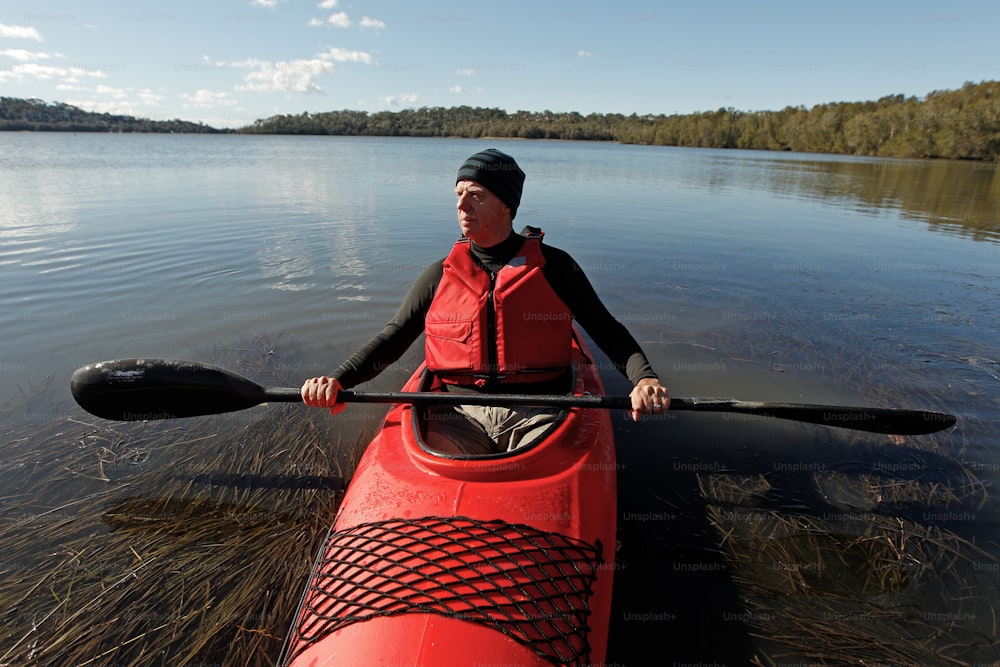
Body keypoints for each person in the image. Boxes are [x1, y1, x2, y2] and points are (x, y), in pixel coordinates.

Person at [301, 148, 670, 455]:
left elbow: (606, 329)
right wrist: (337, 379)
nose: (462, 205)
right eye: (458, 194)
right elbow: (393, 337)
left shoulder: (556, 267)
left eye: (476, 195)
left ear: (507, 206)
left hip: (541, 412)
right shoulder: (439, 274)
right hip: (454, 411)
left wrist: (645, 379)